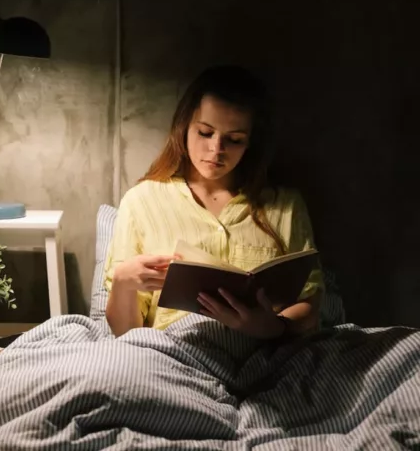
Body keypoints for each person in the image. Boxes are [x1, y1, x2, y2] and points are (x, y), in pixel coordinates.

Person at [104, 65, 324, 339]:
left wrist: (273, 327)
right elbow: (125, 333)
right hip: (175, 352)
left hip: (267, 352)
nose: (216, 150)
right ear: (184, 128)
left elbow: (310, 303)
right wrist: (124, 282)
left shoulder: (285, 205)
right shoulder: (142, 201)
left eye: (234, 140)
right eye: (205, 133)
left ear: (250, 143)